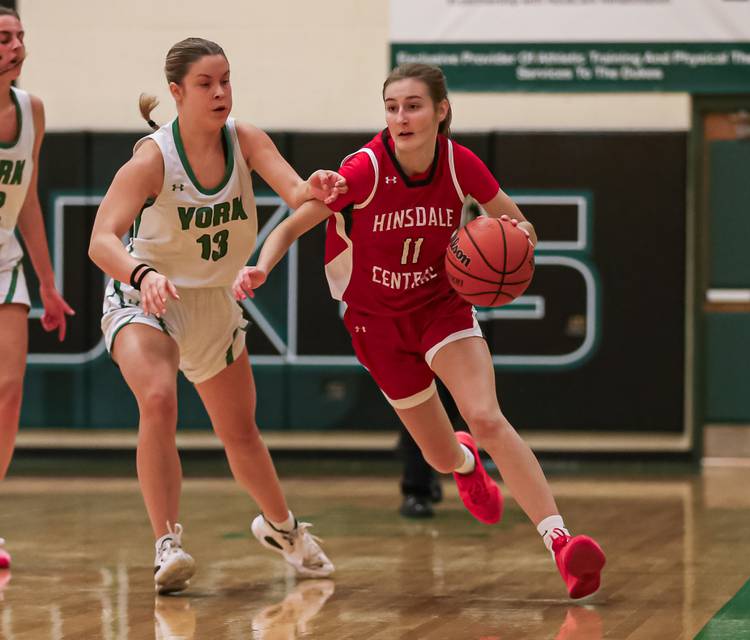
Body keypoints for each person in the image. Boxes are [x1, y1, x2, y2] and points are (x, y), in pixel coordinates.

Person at [234, 63, 606, 599]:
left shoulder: (461, 166)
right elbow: (292, 224)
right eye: (391, 107)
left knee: (487, 417)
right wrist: (261, 267)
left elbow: (520, 223)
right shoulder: (362, 170)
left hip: (442, 307)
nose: (401, 117)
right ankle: (463, 463)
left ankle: (563, 546)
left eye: (412, 106)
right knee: (437, 456)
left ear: (440, 110)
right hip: (375, 322)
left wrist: (517, 239)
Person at [88, 37, 342, 594]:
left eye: (225, 80)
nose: (221, 92)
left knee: (241, 434)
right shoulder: (153, 158)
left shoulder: (245, 139)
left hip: (213, 304)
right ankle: (167, 545)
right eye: (206, 83)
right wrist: (142, 274)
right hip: (147, 296)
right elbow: (100, 240)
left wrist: (315, 185)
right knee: (157, 399)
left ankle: (284, 530)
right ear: (178, 93)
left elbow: (298, 192)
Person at [0, 7, 75, 570]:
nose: (16, 46)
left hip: (6, 262)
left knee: (8, 393)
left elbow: (26, 197)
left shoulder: (33, 111)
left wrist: (48, 284)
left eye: (20, 36)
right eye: (4, 38)